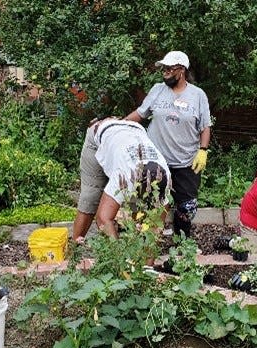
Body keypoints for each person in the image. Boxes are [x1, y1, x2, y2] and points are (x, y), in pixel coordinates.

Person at [124, 50, 211, 238]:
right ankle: (144, 242)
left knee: (186, 208)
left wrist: (203, 150)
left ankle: (181, 246)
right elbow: (141, 114)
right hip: (156, 161)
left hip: (185, 162)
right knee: (147, 201)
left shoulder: (197, 95)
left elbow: (205, 127)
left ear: (182, 70)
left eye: (169, 69)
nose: (165, 72)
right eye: (163, 68)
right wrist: (119, 125)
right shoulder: (157, 90)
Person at [72, 117, 171, 240]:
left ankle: (135, 246)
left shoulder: (164, 178)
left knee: (141, 214)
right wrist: (118, 256)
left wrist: (147, 256)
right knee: (91, 198)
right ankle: (74, 251)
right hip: (102, 133)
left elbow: (156, 228)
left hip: (133, 130)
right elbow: (103, 220)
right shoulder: (124, 174)